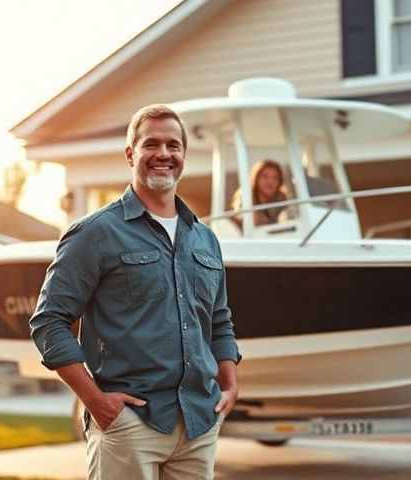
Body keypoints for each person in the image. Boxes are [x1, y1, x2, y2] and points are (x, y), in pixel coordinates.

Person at [29, 104, 241, 480]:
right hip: (130, 425)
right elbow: (49, 321)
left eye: (173, 145)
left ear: (184, 156)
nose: (163, 154)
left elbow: (219, 320)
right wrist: (95, 401)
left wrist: (229, 385)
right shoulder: (95, 233)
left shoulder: (205, 238)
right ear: (131, 154)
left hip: (198, 423)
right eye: (151, 144)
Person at [231, 159, 290, 226]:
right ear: (256, 178)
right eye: (265, 176)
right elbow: (248, 223)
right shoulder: (246, 196)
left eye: (275, 178)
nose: (270, 181)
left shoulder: (282, 198)